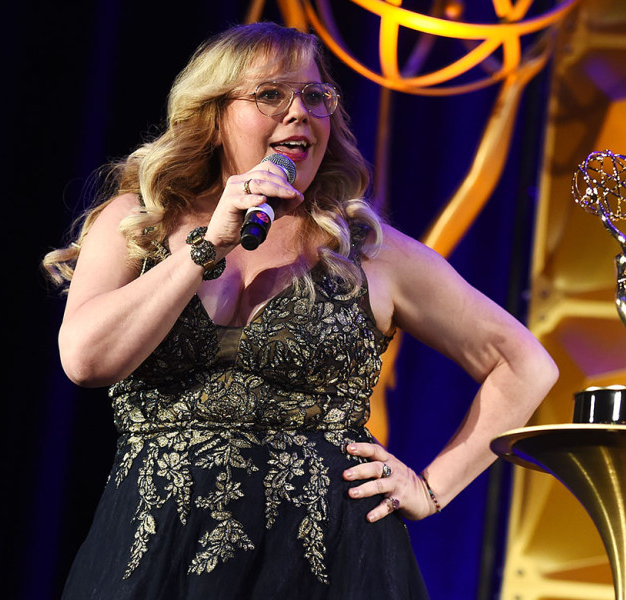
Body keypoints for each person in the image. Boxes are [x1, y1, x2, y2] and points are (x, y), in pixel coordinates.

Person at [43, 21, 558, 600]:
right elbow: (86, 361)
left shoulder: (368, 252)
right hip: (152, 552)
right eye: (271, 94)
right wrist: (209, 246)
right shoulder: (139, 222)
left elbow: (525, 364)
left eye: (315, 96)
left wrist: (431, 489)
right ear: (213, 116)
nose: (299, 113)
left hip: (330, 562)